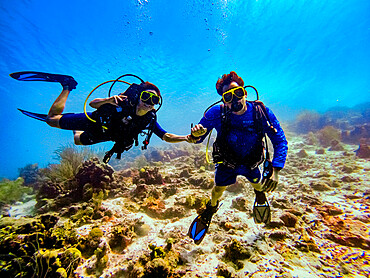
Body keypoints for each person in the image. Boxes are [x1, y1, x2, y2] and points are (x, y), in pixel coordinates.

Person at [188, 71, 288, 244]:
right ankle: (211, 209)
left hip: (252, 162)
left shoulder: (260, 112)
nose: (235, 99)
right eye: (228, 96)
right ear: (223, 100)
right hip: (226, 162)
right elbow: (198, 138)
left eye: (238, 93)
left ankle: (260, 195)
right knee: (218, 189)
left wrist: (276, 169)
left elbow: (279, 140)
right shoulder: (216, 113)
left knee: (258, 184)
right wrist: (196, 134)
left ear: (245, 92)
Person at [12, 71, 195, 163]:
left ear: (156, 104)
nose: (148, 102)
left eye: (153, 100)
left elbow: (166, 136)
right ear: (138, 96)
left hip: (106, 135)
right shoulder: (123, 101)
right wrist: (108, 100)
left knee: (77, 141)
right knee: (51, 120)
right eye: (145, 96)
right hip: (94, 120)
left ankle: (75, 126)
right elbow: (93, 103)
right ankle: (67, 85)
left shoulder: (149, 119)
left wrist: (187, 138)